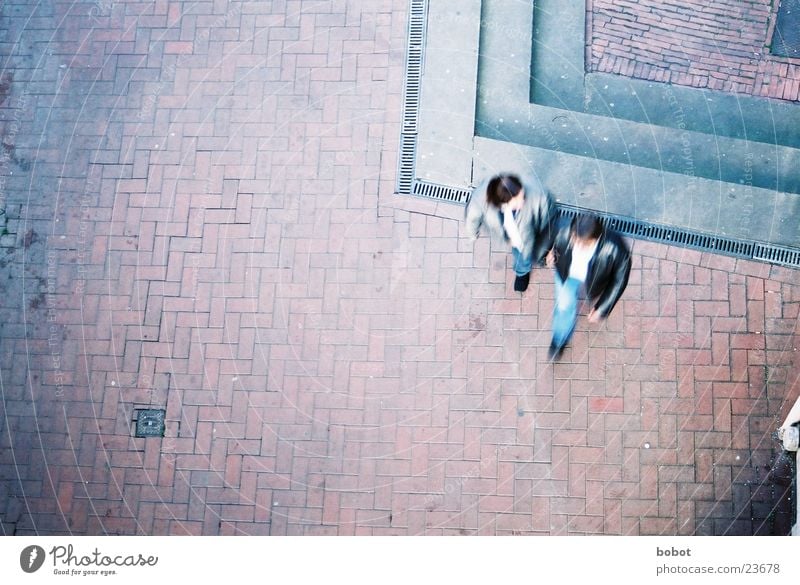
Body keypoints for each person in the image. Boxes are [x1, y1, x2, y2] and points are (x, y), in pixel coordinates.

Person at [545, 213, 631, 360]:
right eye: (574, 240)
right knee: (564, 307)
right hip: (565, 274)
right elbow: (551, 238)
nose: (576, 245)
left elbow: (619, 280)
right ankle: (559, 339)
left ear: (596, 239)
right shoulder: (564, 229)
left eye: (583, 243)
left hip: (594, 280)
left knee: (566, 305)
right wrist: (549, 252)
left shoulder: (616, 247)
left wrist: (603, 308)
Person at [464, 173, 554, 292]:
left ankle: (524, 270)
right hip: (509, 234)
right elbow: (472, 217)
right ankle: (523, 271)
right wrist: (472, 233)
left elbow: (549, 222)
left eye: (522, 195)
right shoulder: (480, 199)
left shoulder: (539, 195)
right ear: (504, 202)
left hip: (528, 233)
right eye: (517, 201)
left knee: (524, 254)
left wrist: (548, 247)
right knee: (521, 255)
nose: (523, 201)